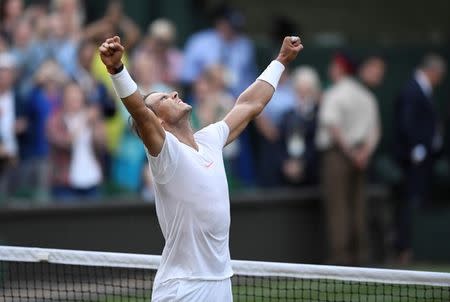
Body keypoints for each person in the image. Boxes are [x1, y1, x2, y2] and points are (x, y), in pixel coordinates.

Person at [99, 35, 302, 301]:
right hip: (183, 288)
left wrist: (281, 60)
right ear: (157, 121)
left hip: (220, 283)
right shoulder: (166, 153)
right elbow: (139, 111)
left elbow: (250, 104)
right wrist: (117, 70)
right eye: (163, 99)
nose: (174, 93)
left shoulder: (210, 140)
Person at [316, 52, 381, 266]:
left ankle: (341, 259)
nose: (330, 70)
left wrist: (351, 154)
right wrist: (363, 154)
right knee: (358, 207)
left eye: (334, 66)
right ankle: (361, 256)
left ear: (340, 69)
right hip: (360, 156)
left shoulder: (334, 94)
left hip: (338, 156)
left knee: (339, 208)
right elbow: (375, 131)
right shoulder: (366, 96)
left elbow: (333, 127)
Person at [393, 54, 446, 264]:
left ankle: (412, 247)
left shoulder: (421, 90)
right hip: (413, 160)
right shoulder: (412, 90)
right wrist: (417, 149)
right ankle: (405, 248)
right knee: (410, 202)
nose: (440, 80)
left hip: (423, 159)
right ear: (432, 72)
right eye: (440, 75)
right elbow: (407, 122)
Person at [280, 66, 321, 186]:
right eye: (299, 91)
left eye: (306, 91)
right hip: (287, 171)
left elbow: (316, 143)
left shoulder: (319, 114)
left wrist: (302, 164)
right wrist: (286, 163)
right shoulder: (288, 115)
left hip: (312, 172)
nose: (302, 95)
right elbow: (280, 141)